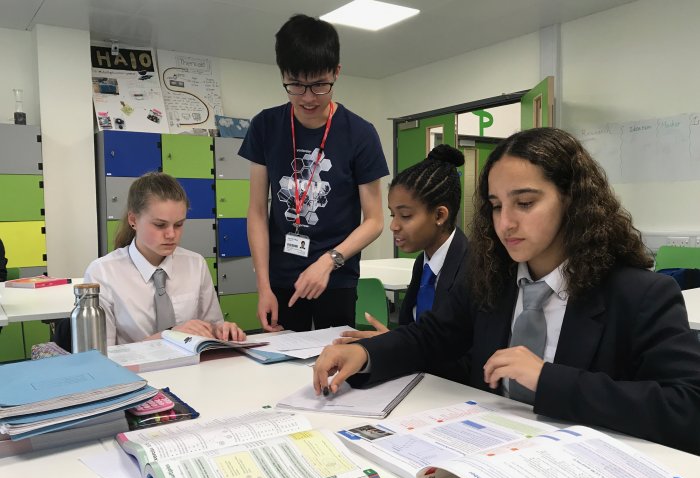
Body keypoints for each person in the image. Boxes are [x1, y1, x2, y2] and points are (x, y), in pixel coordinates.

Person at [313, 127, 700, 454]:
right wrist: (364, 352)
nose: (506, 223)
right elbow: (431, 337)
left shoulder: (641, 295)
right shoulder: (489, 278)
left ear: (573, 201)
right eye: (496, 206)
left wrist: (547, 379)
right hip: (487, 453)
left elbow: (687, 410)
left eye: (526, 203)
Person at [239, 14, 388, 333]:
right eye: (295, 84)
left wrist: (329, 261)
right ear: (283, 75)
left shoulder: (360, 134)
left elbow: (375, 220)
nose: (307, 97)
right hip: (281, 278)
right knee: (279, 367)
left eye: (319, 85)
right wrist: (263, 285)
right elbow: (256, 212)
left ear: (336, 72)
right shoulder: (265, 126)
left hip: (336, 278)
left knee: (332, 365)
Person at [333, 144, 470, 383]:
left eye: (405, 216)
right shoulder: (423, 264)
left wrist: (396, 348)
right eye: (392, 214)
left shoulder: (472, 269)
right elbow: (419, 335)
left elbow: (464, 358)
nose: (393, 226)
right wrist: (394, 341)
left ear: (439, 215)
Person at [84, 172, 245, 345]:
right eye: (160, 225)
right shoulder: (102, 273)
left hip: (192, 368)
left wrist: (221, 330)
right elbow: (101, 355)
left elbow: (211, 325)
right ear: (133, 220)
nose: (171, 234)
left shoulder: (195, 263)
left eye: (179, 224)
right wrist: (169, 335)